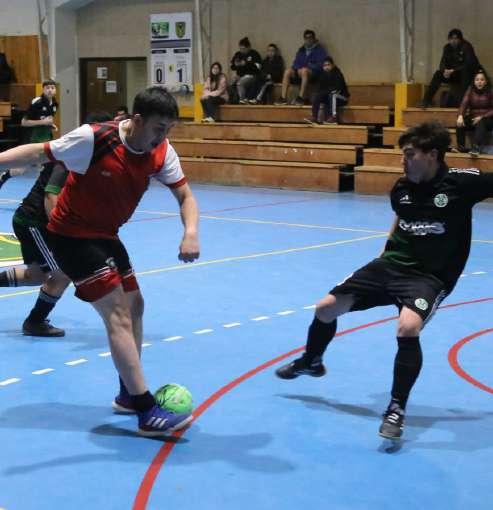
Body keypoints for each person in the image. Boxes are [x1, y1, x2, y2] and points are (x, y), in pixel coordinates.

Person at [0, 87, 200, 437]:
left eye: (169, 129)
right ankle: (145, 410)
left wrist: (191, 232)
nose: (163, 136)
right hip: (71, 236)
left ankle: (127, 394)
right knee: (117, 314)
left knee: (135, 306)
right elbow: (37, 152)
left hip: (106, 234)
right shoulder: (95, 139)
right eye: (158, 128)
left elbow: (185, 195)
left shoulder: (162, 151)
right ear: (137, 120)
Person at [275, 121, 493, 441]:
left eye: (410, 154)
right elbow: (402, 216)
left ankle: (396, 408)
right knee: (325, 309)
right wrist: (385, 251)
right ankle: (311, 360)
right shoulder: (401, 188)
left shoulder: (462, 182)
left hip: (429, 276)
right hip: (389, 266)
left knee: (408, 327)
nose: (402, 160)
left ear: (432, 155)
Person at [0, 162, 70, 336]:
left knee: (37, 276)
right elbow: (50, 196)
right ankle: (35, 322)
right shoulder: (69, 159)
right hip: (35, 223)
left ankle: (34, 322)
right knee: (63, 274)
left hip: (29, 220)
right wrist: (64, 234)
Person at [0, 79, 58, 189]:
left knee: (47, 165)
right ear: (43, 89)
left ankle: (40, 192)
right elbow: (24, 122)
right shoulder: (37, 103)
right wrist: (44, 122)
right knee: (20, 170)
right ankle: (5, 176)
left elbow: (46, 119)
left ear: (55, 90)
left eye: (52, 88)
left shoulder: (54, 104)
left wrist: (51, 125)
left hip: (46, 138)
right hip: (33, 139)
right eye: (47, 88)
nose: (50, 90)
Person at [419, 29, 481, 108]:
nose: (453, 41)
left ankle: (465, 103)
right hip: (454, 74)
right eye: (451, 39)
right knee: (438, 74)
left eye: (456, 38)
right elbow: (442, 63)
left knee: (465, 72)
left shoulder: (466, 46)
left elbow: (469, 64)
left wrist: (454, 70)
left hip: (468, 75)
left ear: (460, 39)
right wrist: (445, 71)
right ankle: (426, 101)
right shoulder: (447, 47)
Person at [275, 29, 327, 106]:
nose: (308, 40)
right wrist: (298, 69)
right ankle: (283, 98)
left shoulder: (320, 50)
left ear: (314, 39)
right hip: (300, 72)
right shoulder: (301, 50)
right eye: (306, 38)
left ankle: (301, 97)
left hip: (314, 74)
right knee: (287, 71)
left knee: (304, 70)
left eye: (310, 37)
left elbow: (321, 65)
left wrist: (308, 66)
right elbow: (296, 63)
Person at [456, 70, 493, 156]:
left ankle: (476, 148)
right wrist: (460, 115)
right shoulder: (470, 90)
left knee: (481, 122)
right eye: (477, 80)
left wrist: (482, 117)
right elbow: (463, 104)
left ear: (485, 82)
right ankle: (461, 148)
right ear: (474, 81)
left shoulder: (490, 91)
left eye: (482, 80)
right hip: (473, 118)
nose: (479, 82)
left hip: (488, 120)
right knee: (460, 122)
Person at [304, 57, 349, 124]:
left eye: (328, 65)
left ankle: (333, 118)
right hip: (329, 97)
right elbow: (320, 88)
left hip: (342, 97)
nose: (326, 67)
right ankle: (314, 117)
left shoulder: (338, 74)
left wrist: (327, 93)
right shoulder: (322, 75)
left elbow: (338, 89)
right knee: (318, 95)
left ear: (332, 65)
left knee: (333, 95)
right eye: (324, 65)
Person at [230, 37, 262, 104]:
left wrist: (246, 64)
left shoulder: (254, 54)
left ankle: (242, 100)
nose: (242, 50)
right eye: (240, 48)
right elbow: (232, 67)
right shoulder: (238, 54)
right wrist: (236, 65)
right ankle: (234, 101)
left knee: (240, 83)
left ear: (248, 47)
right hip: (239, 75)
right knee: (231, 83)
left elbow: (258, 67)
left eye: (243, 49)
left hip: (251, 75)